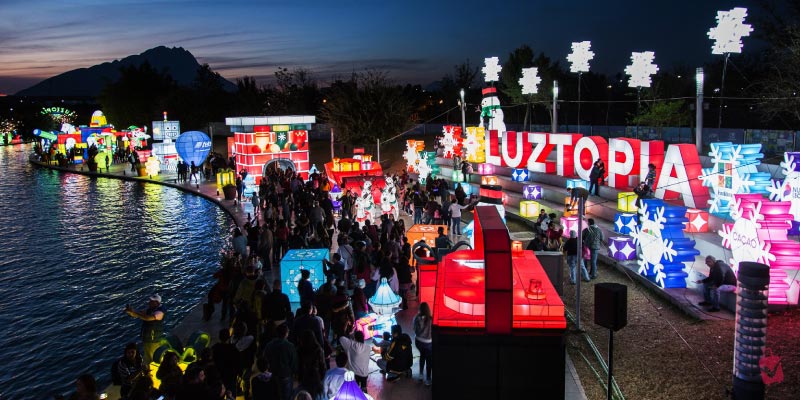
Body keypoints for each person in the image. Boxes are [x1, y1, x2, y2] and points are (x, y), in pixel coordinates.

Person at [125, 293, 166, 365]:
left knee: (152, 357)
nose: (149, 302)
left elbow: (147, 318)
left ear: (156, 302)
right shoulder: (150, 309)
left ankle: (152, 371)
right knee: (147, 356)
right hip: (147, 338)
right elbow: (139, 315)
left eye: (151, 301)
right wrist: (131, 312)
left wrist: (136, 314)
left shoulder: (159, 312)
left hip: (153, 339)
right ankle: (147, 369)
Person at [262, 323, 298, 400]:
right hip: (286, 375)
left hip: (272, 375)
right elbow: (294, 363)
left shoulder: (269, 345)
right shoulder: (290, 346)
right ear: (286, 333)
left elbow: (264, 359)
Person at [413, 302, 433, 386]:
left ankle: (421, 375)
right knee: (429, 360)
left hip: (418, 341)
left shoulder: (416, 318)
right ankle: (428, 379)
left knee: (422, 356)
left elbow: (414, 329)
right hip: (428, 343)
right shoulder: (431, 319)